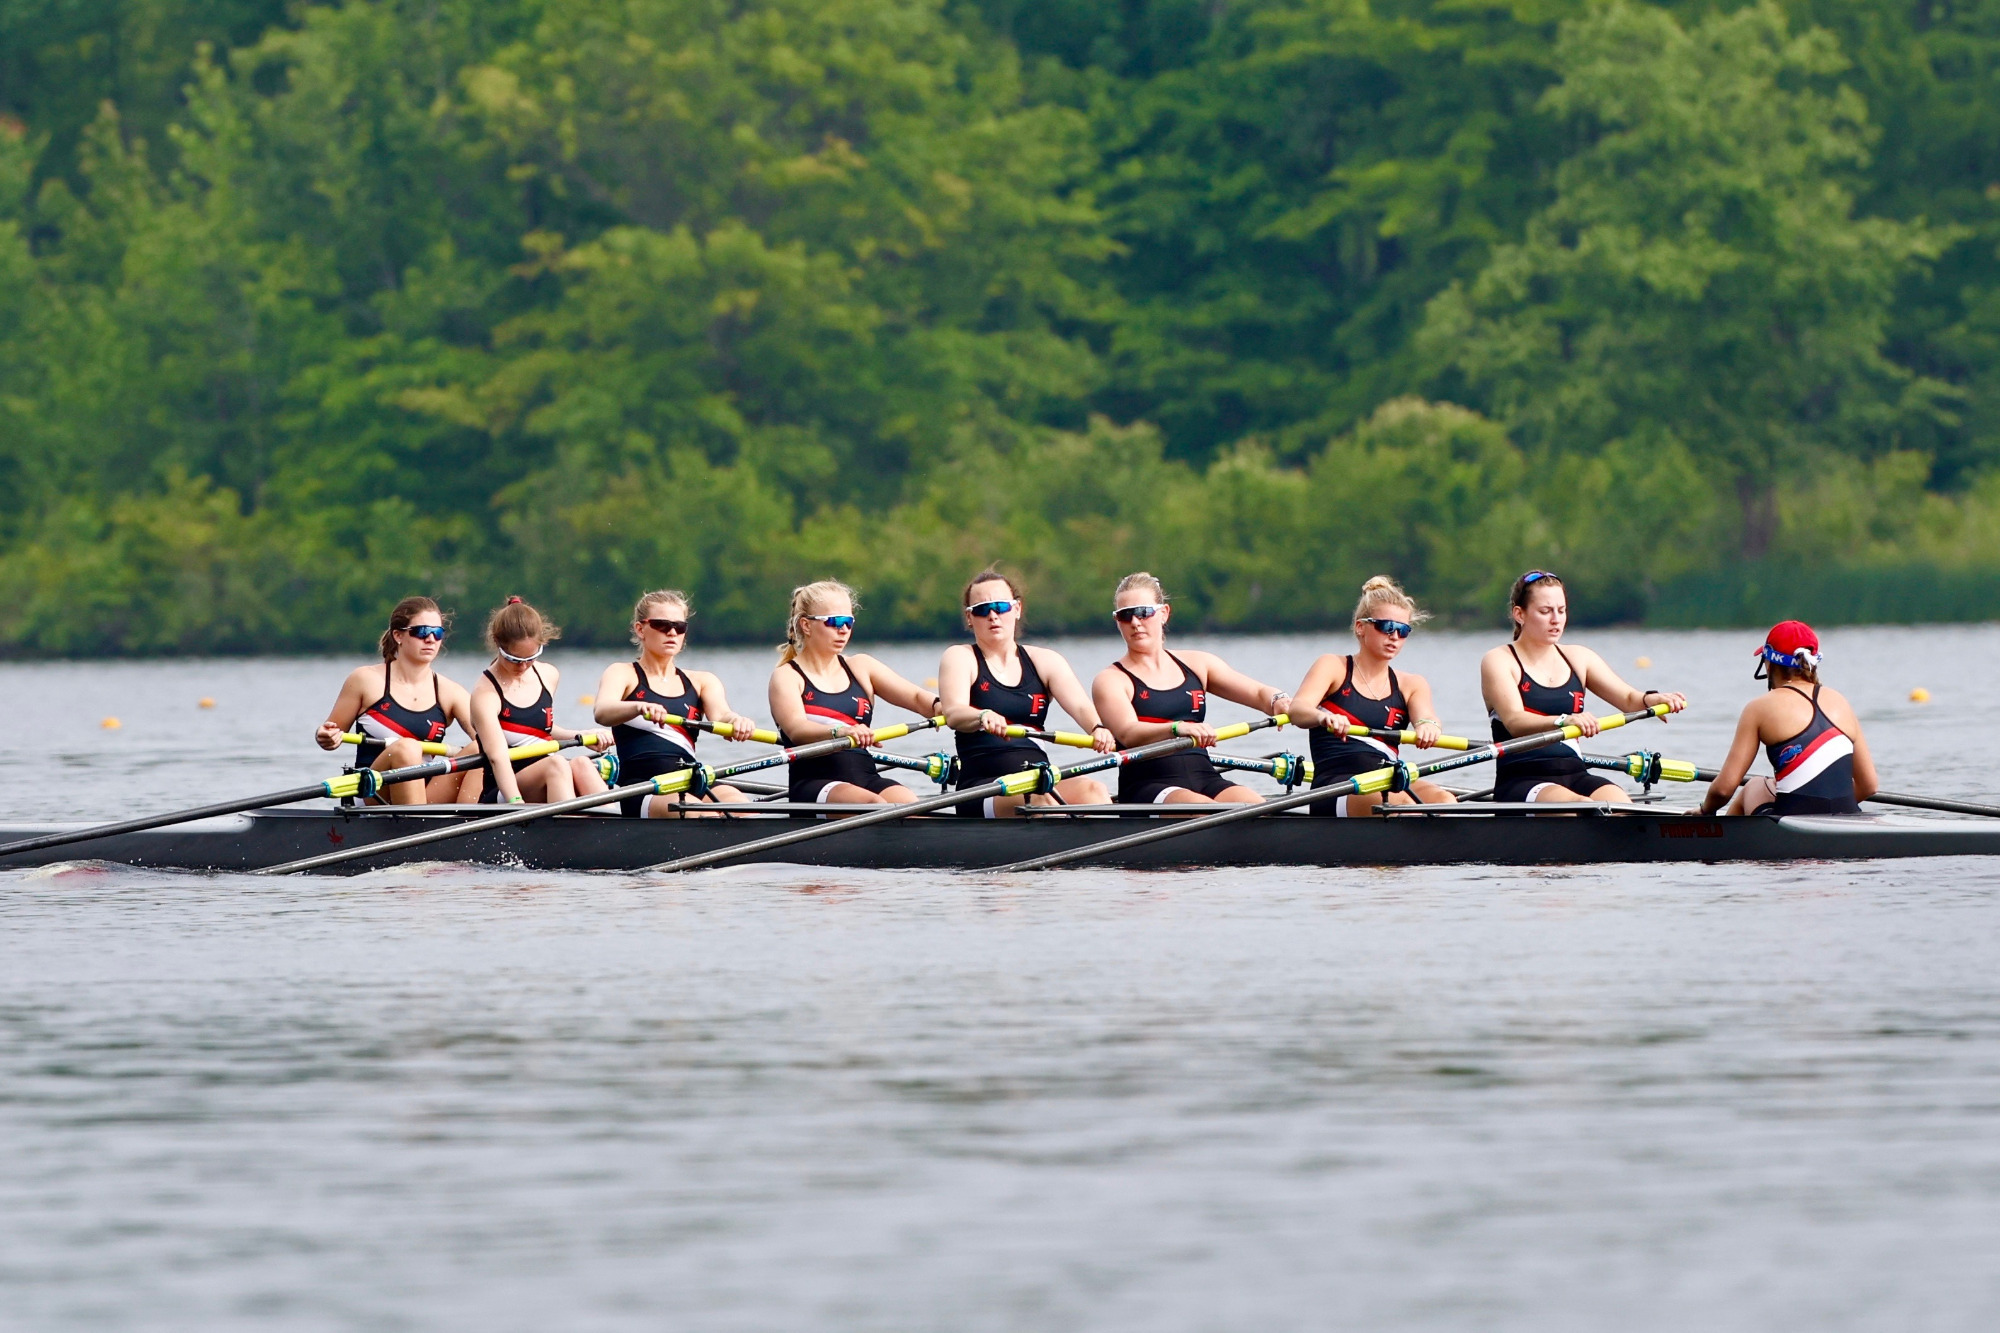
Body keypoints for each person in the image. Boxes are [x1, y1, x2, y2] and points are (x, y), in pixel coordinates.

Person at [1479, 570, 1688, 805]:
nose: (1556, 620)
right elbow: (1515, 722)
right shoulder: (1499, 660)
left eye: (1561, 610)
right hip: (1522, 780)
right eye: (1545, 611)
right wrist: (1564, 720)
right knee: (1582, 807)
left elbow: (1629, 698)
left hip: (1576, 775)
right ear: (1520, 614)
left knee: (1623, 807)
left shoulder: (1579, 658)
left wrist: (1652, 699)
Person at [1092, 572, 1291, 805]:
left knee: (1262, 810)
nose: (1135, 622)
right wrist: (1177, 728)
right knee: (1209, 811)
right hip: (1148, 785)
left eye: (1143, 612)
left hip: (1205, 777)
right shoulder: (1111, 679)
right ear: (1118, 621)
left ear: (1163, 613)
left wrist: (1278, 699)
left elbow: (1259, 694)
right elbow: (1129, 733)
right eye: (1125, 616)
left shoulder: (1198, 664)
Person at [938, 568, 1115, 817]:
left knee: (1095, 791)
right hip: (982, 788)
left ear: (1017, 609)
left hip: (1040, 778)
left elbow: (1081, 707)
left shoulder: (1045, 660)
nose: (992, 616)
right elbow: (954, 712)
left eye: (1001, 606)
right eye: (981, 609)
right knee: (1041, 801)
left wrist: (1097, 729)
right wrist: (981, 715)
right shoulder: (960, 657)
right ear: (969, 618)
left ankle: (1111, 855)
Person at [1289, 576, 1458, 816]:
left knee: (1445, 801)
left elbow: (1428, 718)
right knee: (1402, 805)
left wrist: (1428, 726)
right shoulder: (1333, 667)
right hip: (1336, 787)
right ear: (1361, 627)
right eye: (1387, 627)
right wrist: (1321, 718)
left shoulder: (1412, 684)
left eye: (1403, 630)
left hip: (1389, 781)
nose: (1395, 637)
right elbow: (1297, 710)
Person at [767, 580, 943, 807]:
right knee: (874, 805)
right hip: (815, 784)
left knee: (911, 804)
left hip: (866, 778)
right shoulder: (787, 676)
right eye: (834, 622)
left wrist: (940, 706)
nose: (843, 630)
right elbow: (797, 729)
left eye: (848, 622)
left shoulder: (862, 667)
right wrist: (843, 730)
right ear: (806, 625)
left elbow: (918, 698)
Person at [593, 590, 761, 818]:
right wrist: (638, 707)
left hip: (690, 782)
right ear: (640, 629)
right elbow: (602, 712)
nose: (672, 632)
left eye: (679, 627)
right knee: (705, 817)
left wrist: (737, 721)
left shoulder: (702, 681)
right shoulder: (622, 673)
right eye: (662, 625)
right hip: (643, 789)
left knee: (746, 813)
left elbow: (722, 716)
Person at [313, 596, 479, 804]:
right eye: (421, 632)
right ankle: (417, 824)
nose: (430, 640)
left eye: (437, 633)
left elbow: (494, 742)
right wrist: (326, 735)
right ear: (398, 635)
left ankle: (470, 824)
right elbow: (331, 735)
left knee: (483, 746)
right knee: (406, 748)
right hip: (376, 794)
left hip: (429, 795)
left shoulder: (450, 692)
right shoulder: (366, 680)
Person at [1700, 621, 1877, 816]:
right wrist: (1828, 814)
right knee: (1776, 785)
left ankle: (1721, 842)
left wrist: (1703, 810)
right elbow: (1869, 786)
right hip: (1848, 816)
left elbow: (1723, 790)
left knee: (1755, 784)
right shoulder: (1840, 701)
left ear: (1768, 663)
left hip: (1790, 823)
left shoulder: (1758, 708)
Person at [467, 597, 611, 805]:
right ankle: (567, 830)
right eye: (515, 660)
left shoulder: (548, 675)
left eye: (531, 658)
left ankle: (614, 829)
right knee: (558, 765)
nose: (524, 667)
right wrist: (516, 801)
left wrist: (581, 734)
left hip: (549, 774)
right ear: (498, 644)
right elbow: (497, 757)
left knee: (582, 763)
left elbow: (539, 729)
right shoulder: (485, 694)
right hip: (505, 790)